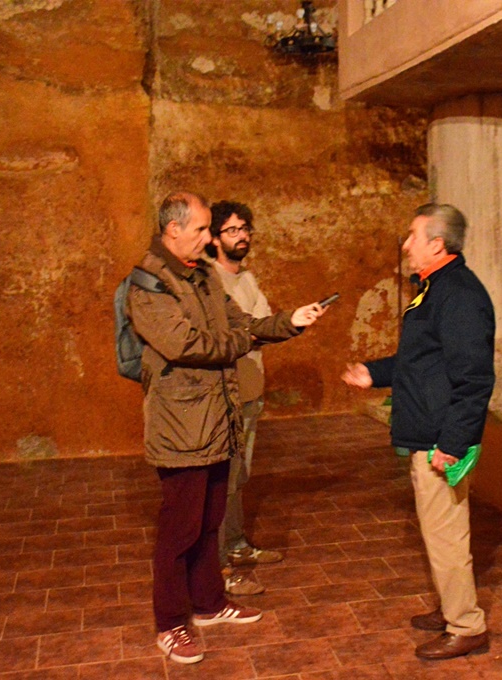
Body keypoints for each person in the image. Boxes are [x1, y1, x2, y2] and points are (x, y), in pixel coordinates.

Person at [127, 191, 325, 665]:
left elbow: (244, 322)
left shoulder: (203, 275)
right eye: (200, 229)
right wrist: (241, 341)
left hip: (216, 417)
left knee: (210, 521)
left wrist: (290, 323)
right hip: (180, 425)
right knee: (179, 530)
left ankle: (209, 603)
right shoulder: (149, 283)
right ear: (173, 230)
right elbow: (186, 344)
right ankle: (171, 623)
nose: (208, 237)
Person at [342, 203, 495, 661]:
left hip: (439, 438)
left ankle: (466, 625)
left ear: (437, 243)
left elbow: (473, 379)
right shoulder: (434, 289)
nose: (406, 244)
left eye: (413, 236)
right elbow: (422, 362)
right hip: (428, 430)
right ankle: (452, 607)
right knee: (439, 532)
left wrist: (452, 443)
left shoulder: (459, 295)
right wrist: (374, 373)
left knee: (446, 535)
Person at [207, 201, 281, 597]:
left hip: (251, 392)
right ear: (214, 238)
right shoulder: (210, 281)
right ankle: (217, 565)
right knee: (223, 480)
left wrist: (256, 332)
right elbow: (235, 334)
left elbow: (264, 327)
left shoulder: (247, 279)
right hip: (225, 396)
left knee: (239, 477)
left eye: (245, 228)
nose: (241, 236)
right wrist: (252, 332)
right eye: (232, 230)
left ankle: (236, 544)